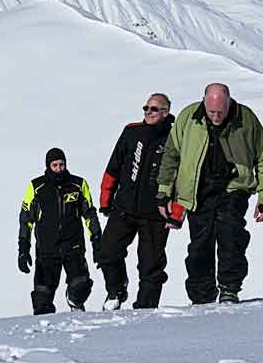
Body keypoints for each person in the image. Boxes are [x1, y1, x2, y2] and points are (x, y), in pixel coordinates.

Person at [155, 83, 263, 305]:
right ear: (204, 103)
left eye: (221, 111)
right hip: (198, 191)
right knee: (200, 245)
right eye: (211, 112)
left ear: (229, 103)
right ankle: (202, 297)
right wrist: (164, 191)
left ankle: (229, 288)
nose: (216, 116)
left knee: (231, 236)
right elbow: (171, 154)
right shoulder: (189, 117)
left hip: (233, 188)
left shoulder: (246, 119)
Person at [97, 93, 176, 310]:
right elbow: (114, 166)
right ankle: (116, 289)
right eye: (146, 108)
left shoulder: (176, 136)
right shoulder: (132, 131)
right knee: (107, 252)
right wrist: (106, 199)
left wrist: (176, 211)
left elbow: (183, 177)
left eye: (154, 109)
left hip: (156, 213)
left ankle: (145, 311)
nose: (148, 112)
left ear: (166, 112)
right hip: (124, 207)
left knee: (151, 267)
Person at [18, 147, 102, 314]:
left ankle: (75, 302)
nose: (58, 169)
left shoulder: (78, 185)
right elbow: (26, 220)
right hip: (46, 249)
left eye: (62, 164)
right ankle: (46, 334)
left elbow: (90, 215)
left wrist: (97, 241)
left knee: (81, 285)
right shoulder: (36, 187)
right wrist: (23, 249)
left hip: (73, 246)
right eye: (54, 165)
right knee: (42, 301)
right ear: (48, 166)